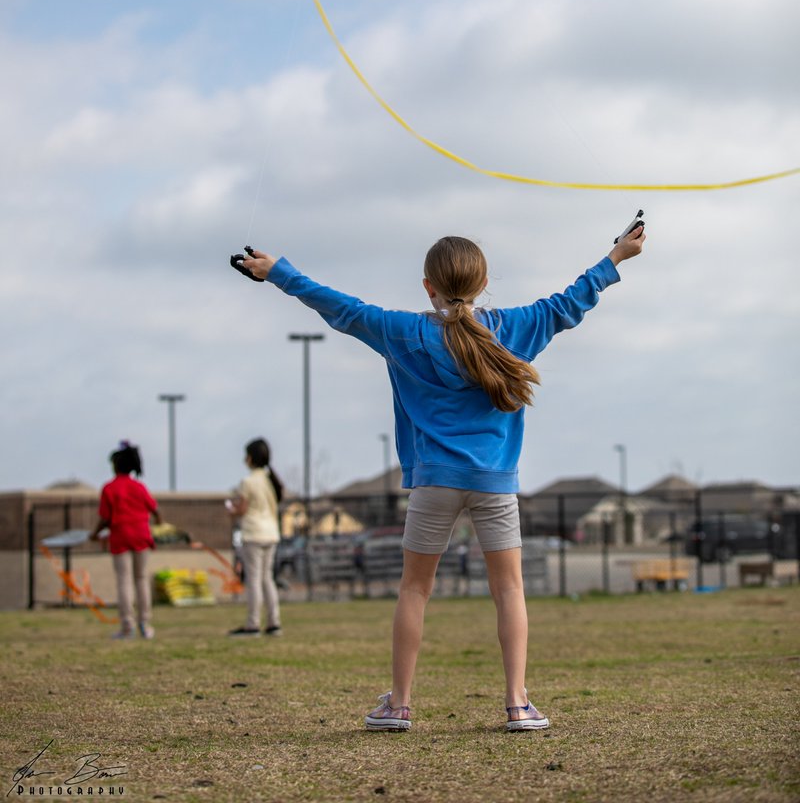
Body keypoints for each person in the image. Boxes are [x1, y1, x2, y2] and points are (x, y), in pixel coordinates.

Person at [238, 224, 645, 730]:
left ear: (428, 286)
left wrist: (278, 272)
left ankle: (399, 704)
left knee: (414, 590)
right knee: (510, 591)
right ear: (484, 281)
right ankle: (518, 703)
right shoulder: (516, 326)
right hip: (495, 481)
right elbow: (570, 301)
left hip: (434, 482)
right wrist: (617, 256)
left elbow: (337, 306)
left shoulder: (402, 331)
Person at [89, 441, 161, 639]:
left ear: (116, 465)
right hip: (141, 535)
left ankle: (127, 625)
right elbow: (155, 510)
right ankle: (145, 624)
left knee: (124, 581)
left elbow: (105, 518)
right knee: (141, 579)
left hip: (120, 536)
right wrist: (159, 524)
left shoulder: (109, 488)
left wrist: (94, 534)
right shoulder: (139, 487)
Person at [227, 438, 284, 636]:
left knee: (253, 579)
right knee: (267, 578)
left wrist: (231, 508)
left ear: (251, 458)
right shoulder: (271, 481)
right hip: (271, 534)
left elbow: (241, 509)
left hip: (253, 534)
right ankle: (274, 622)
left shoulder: (248, 482)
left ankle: (253, 623)